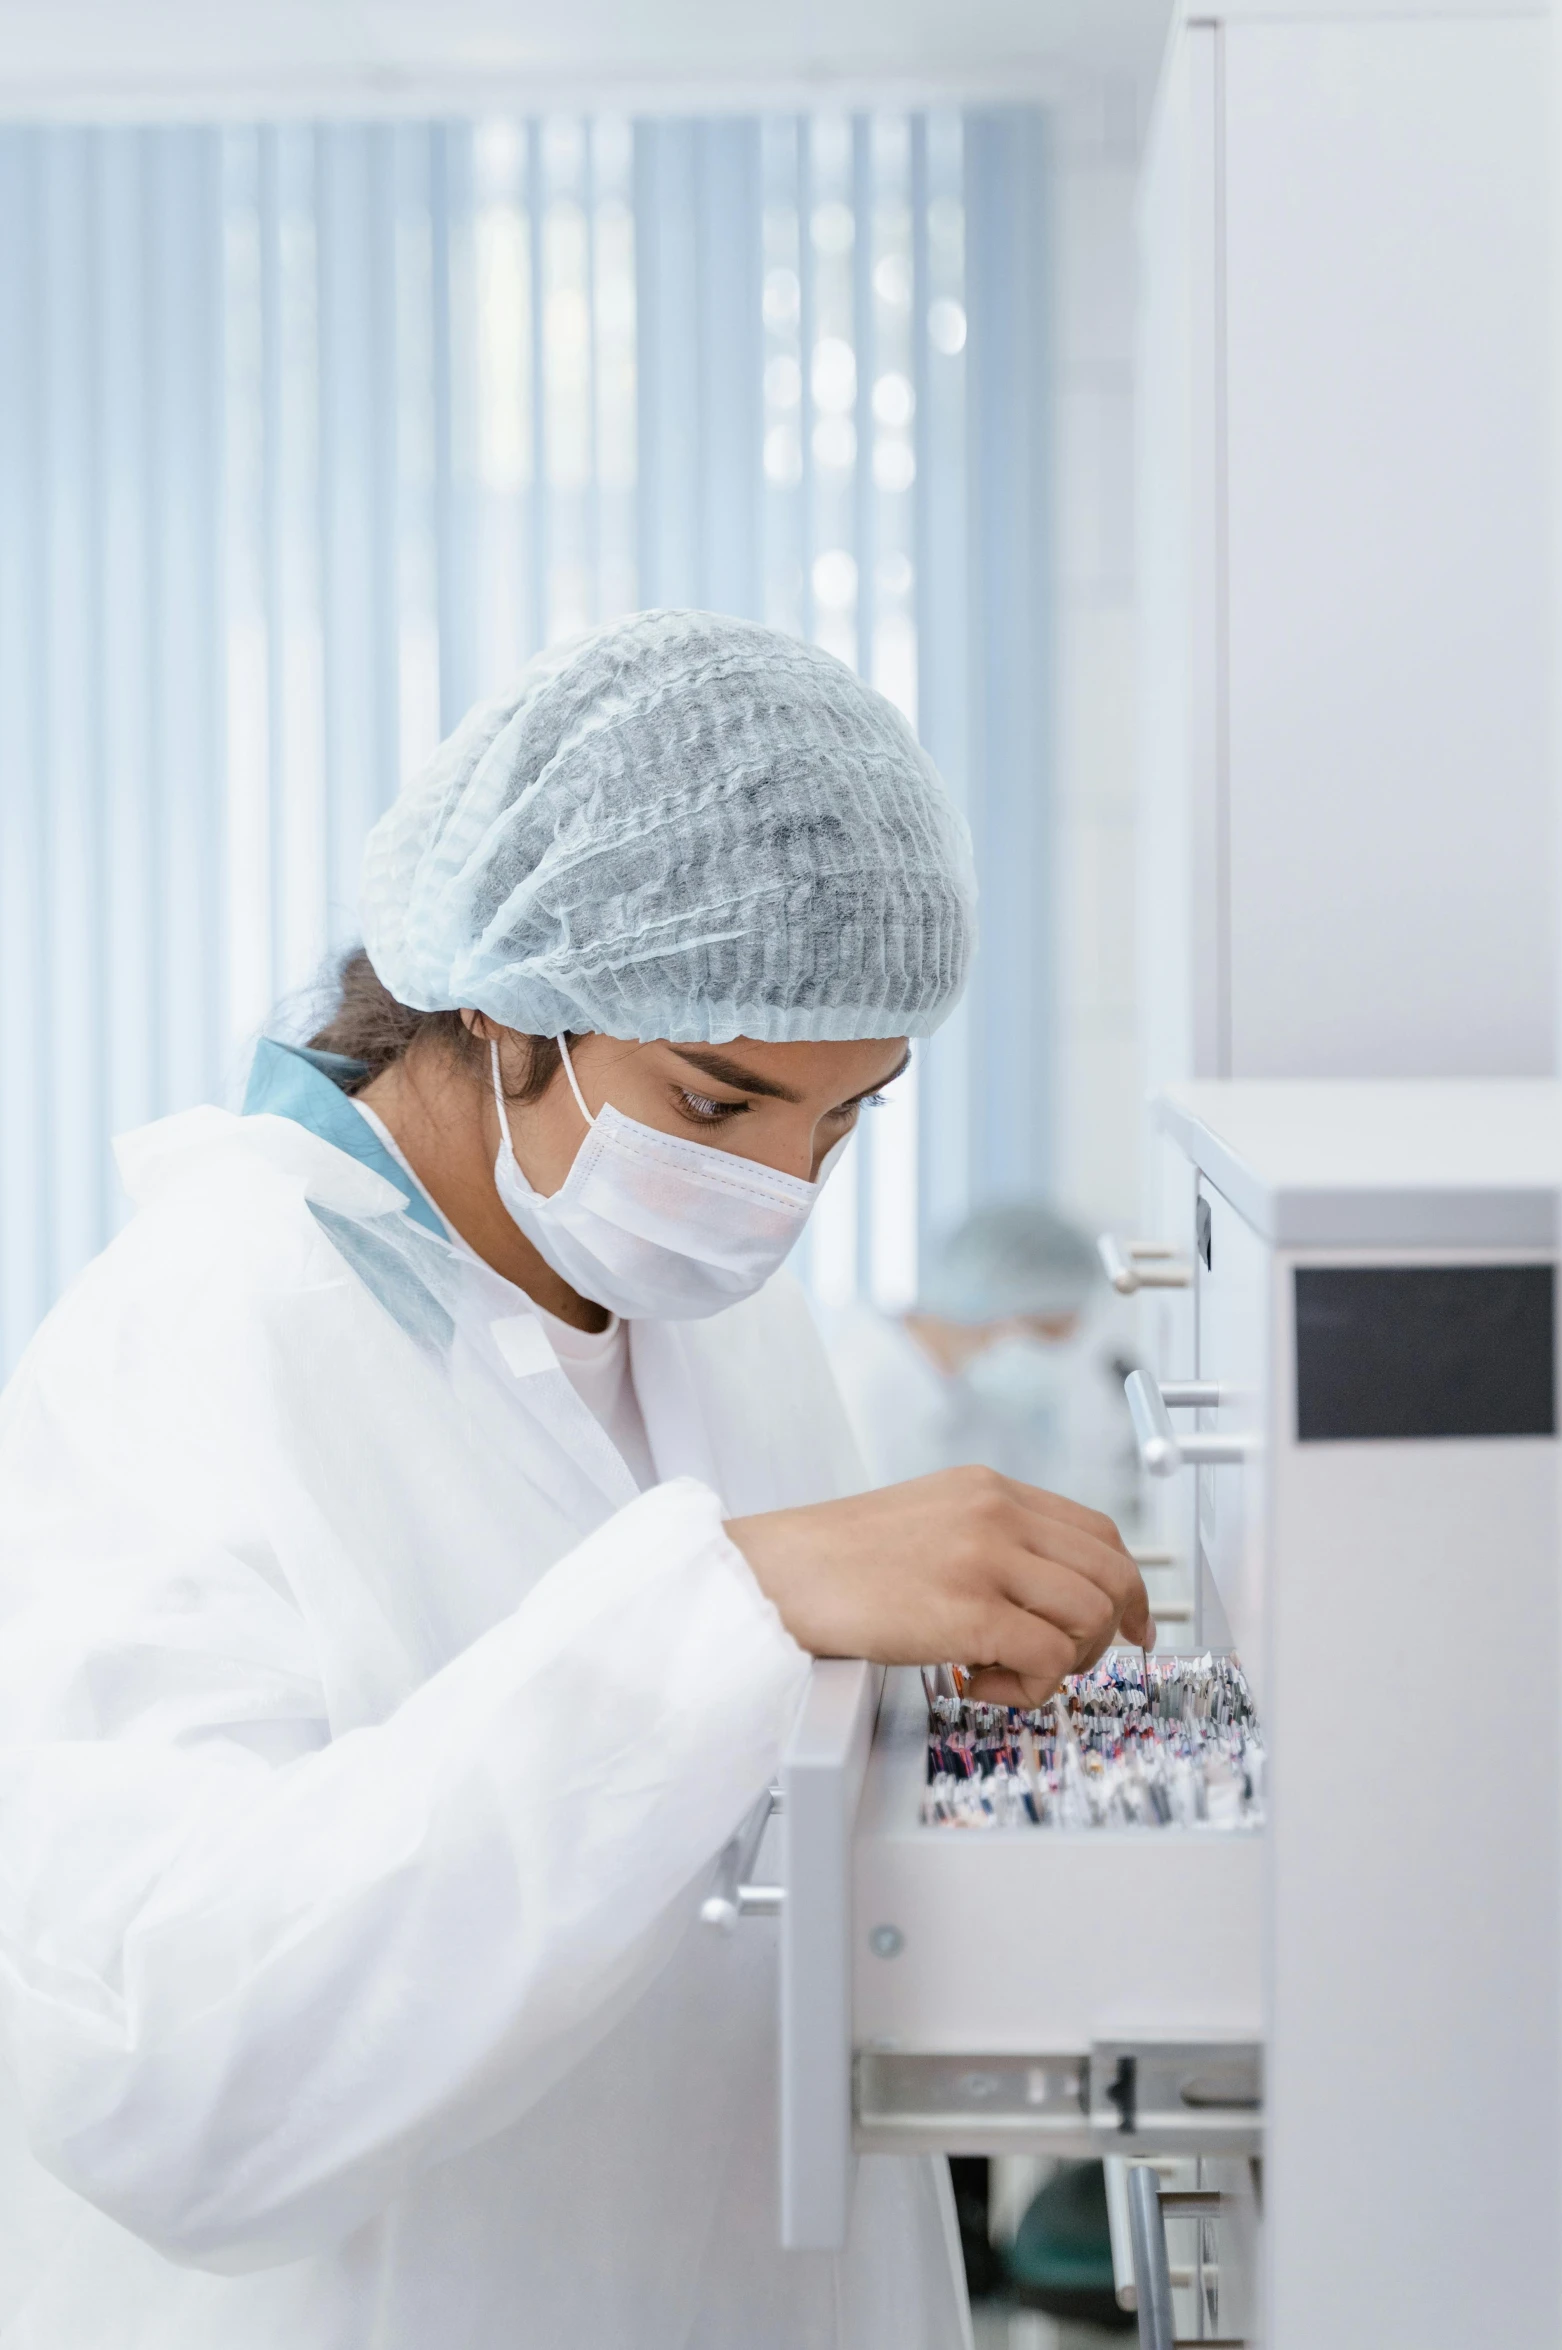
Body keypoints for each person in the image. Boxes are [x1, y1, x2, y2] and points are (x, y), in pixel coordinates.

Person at [0, 611, 1150, 2349]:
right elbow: (173, 2078)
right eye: (715, 1104)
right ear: (503, 998)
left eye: (844, 1123)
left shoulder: (695, 1300)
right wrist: (725, 1605)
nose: (779, 1193)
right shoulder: (193, 1342)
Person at [830, 1203, 1142, 1527]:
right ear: (988, 1302)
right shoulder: (863, 1391)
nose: (1049, 1357)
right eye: (1043, 1332)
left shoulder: (972, 1398)